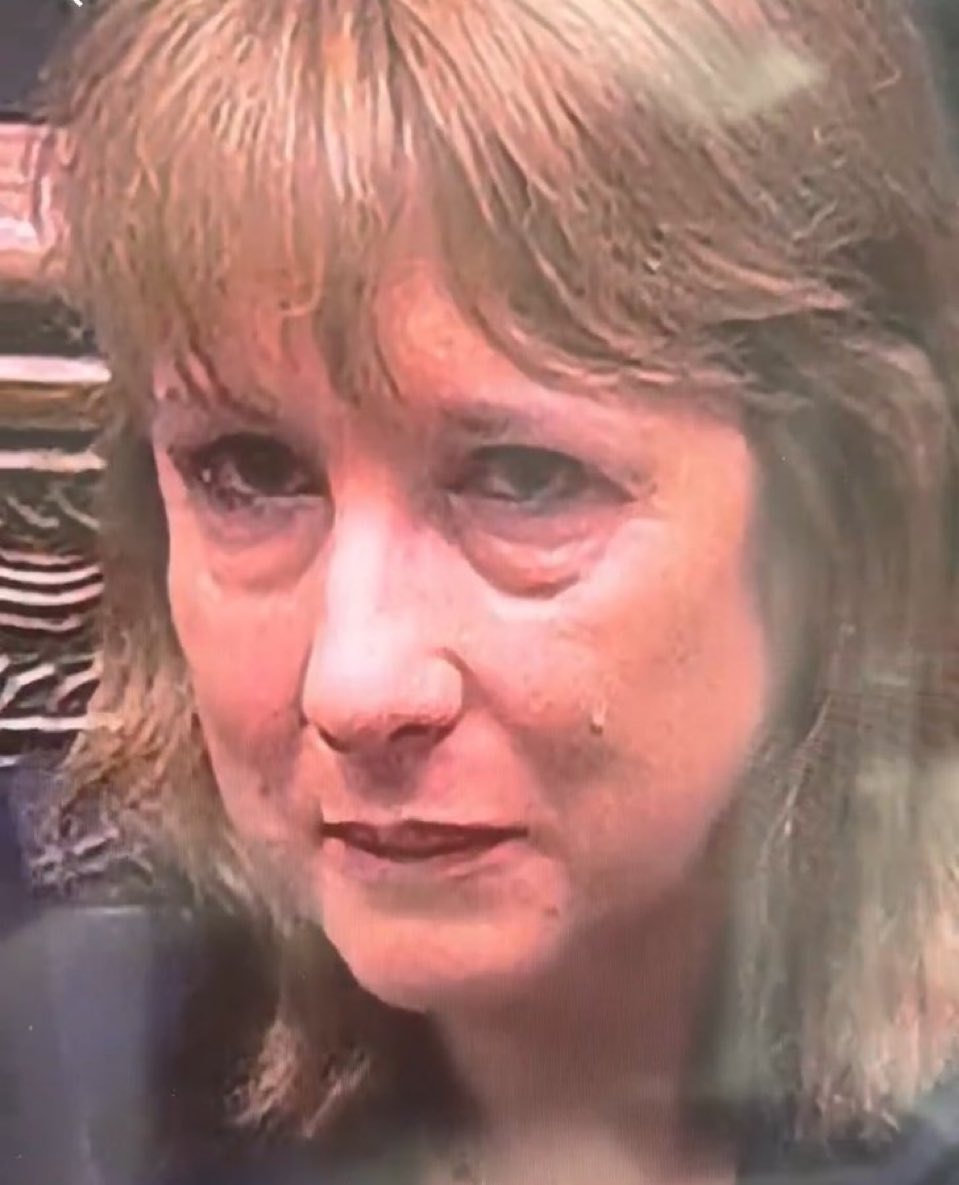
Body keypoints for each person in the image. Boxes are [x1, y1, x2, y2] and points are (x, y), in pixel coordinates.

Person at [27, 1, 959, 1182]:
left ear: (841, 520)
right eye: (248, 472)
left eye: (524, 479)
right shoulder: (75, 1072)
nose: (354, 684)